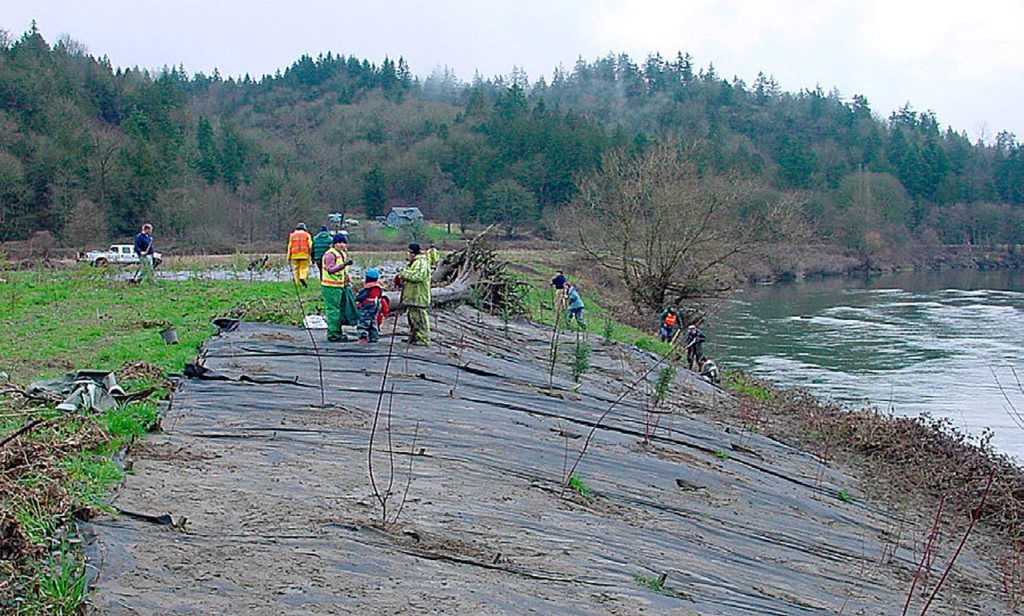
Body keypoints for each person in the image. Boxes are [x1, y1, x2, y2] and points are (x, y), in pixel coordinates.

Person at [321, 234, 358, 342]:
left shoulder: (341, 254)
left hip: (340, 285)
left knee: (340, 310)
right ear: (334, 244)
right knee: (333, 311)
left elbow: (343, 270)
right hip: (330, 286)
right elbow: (330, 269)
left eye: (344, 243)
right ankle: (334, 335)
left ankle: (338, 332)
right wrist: (344, 265)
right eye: (339, 243)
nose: (342, 245)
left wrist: (347, 277)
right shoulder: (330, 255)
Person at [395, 243, 431, 345]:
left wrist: (403, 273)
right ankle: (414, 337)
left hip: (418, 296)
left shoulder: (421, 262)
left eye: (408, 252)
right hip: (412, 296)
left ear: (412, 253)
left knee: (420, 318)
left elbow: (418, 276)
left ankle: (423, 339)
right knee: (412, 318)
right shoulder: (414, 262)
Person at [355, 269, 389, 343]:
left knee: (364, 321)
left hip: (367, 306)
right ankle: (374, 337)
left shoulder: (368, 288)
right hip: (375, 305)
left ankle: (363, 337)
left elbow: (361, 297)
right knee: (373, 321)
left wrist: (357, 299)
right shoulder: (378, 287)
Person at [286, 223, 314, 287]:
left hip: (294, 255)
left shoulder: (292, 235)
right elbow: (310, 245)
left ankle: (297, 283)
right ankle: (302, 277)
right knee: (304, 267)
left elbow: (289, 246)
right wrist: (311, 253)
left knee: (296, 269)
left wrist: (288, 257)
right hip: (304, 254)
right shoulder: (307, 235)